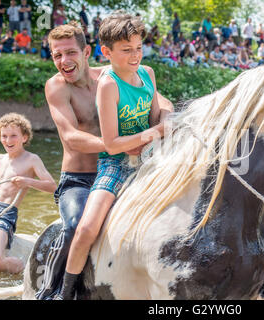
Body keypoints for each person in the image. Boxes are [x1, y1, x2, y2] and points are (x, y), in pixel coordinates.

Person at [35, 21, 173, 300]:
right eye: (57, 55)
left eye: (70, 53)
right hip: (79, 179)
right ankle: (51, 288)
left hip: (125, 163)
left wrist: (165, 119)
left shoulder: (114, 74)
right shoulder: (56, 87)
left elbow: (160, 101)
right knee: (76, 225)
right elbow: (71, 137)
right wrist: (122, 146)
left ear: (87, 52)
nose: (64, 61)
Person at [0, 113, 57, 274]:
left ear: (24, 137)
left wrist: (27, 181)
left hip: (5, 213)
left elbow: (52, 186)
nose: (8, 140)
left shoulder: (32, 159)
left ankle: (22, 272)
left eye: (13, 136)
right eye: (4, 136)